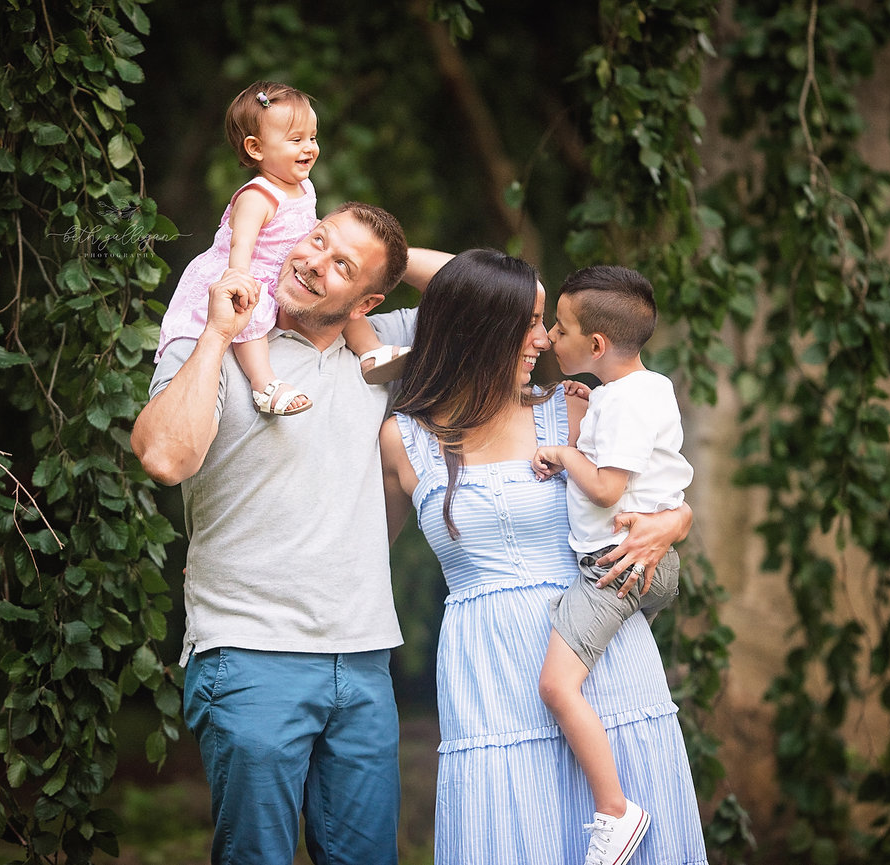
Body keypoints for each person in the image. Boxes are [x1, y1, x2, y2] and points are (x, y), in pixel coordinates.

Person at [379, 249, 708, 865]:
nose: (543, 338)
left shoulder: (575, 406)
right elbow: (364, 550)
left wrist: (677, 519)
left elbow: (648, 491)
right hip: (489, 674)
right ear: (479, 331)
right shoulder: (405, 437)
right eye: (530, 320)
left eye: (546, 320)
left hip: (599, 656)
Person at [131, 201, 425, 865]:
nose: (313, 262)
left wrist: (392, 269)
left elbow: (510, 294)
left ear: (368, 299)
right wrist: (217, 332)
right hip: (249, 654)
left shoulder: (380, 350)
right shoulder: (211, 338)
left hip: (364, 659)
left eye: (341, 264)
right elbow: (163, 457)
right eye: (315, 240)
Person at [530, 264, 695, 865]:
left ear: (595, 345)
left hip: (615, 567)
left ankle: (616, 810)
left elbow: (604, 488)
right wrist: (584, 412)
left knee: (555, 686)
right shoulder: (635, 391)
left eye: (561, 326)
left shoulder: (624, 403)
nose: (550, 336)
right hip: (635, 562)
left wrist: (561, 452)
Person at [155, 81, 408, 416]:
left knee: (342, 296)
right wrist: (239, 278)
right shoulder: (257, 195)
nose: (310, 148)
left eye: (313, 137)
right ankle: (265, 385)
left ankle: (370, 352)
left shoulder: (302, 185)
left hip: (288, 270)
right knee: (252, 321)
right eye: (296, 140)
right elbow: (240, 241)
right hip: (252, 273)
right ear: (256, 148)